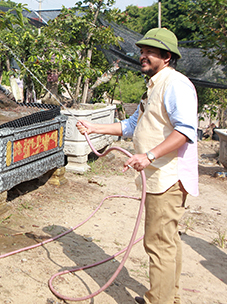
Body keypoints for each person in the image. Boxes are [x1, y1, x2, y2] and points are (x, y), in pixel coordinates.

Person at [76, 28, 198, 304]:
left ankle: (160, 301)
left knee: (157, 243)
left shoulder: (175, 85)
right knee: (167, 241)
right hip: (157, 177)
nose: (142, 56)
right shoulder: (154, 86)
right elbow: (131, 126)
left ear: (166, 56)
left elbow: (186, 131)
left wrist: (149, 156)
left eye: (149, 52)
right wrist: (93, 127)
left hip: (167, 176)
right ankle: (169, 297)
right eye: (142, 51)